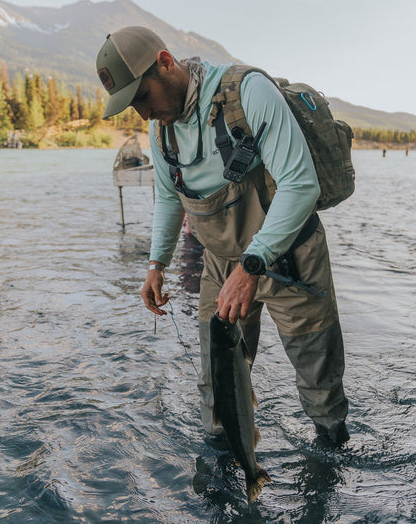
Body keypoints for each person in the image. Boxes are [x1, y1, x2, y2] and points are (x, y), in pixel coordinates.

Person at [96, 26, 349, 445]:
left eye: (142, 97)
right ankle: (228, 477)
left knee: (321, 390)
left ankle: (330, 461)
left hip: (293, 259)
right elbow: (168, 196)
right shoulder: (162, 129)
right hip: (222, 264)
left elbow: (301, 185)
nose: (141, 114)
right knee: (217, 386)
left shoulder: (248, 93)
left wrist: (252, 265)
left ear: (165, 62)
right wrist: (156, 264)